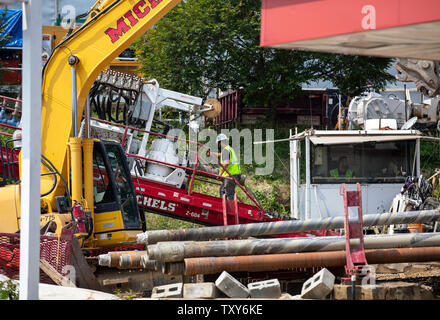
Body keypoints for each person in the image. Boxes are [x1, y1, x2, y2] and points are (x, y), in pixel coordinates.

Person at [216, 133, 241, 200]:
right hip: (235, 174)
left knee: (228, 193)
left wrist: (220, 174)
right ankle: (225, 207)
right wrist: (213, 154)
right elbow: (222, 155)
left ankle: (230, 209)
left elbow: (226, 163)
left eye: (218, 143)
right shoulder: (229, 149)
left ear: (220, 142)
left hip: (230, 175)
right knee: (223, 191)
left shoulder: (226, 150)